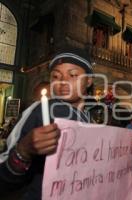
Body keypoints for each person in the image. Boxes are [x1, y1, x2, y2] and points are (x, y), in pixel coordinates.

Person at [0, 47, 94, 199]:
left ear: (89, 80)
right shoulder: (39, 111)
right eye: (56, 76)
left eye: (73, 75)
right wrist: (23, 151)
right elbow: (4, 176)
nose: (63, 81)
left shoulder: (90, 116)